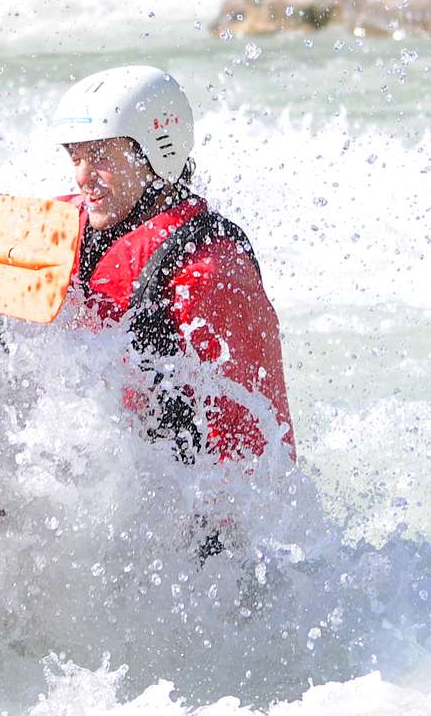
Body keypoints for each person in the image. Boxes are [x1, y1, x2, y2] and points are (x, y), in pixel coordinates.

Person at [51, 65, 292, 462]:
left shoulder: (212, 272)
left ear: (156, 151)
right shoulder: (68, 225)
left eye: (98, 156)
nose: (82, 177)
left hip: (176, 501)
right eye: (74, 157)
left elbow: (253, 452)